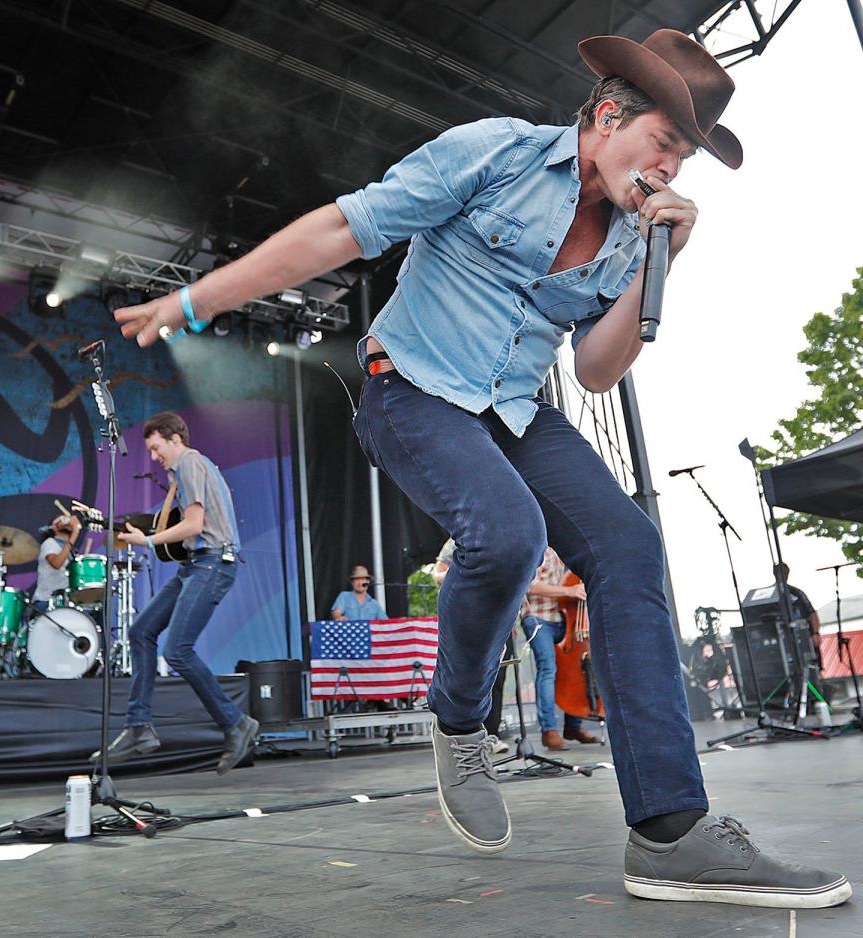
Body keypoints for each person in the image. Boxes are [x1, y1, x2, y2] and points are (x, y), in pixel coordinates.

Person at [112, 30, 850, 907]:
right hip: (412, 390)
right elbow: (344, 228)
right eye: (664, 144)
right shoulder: (494, 152)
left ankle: (670, 834)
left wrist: (664, 263)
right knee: (506, 535)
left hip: (518, 410)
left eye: (683, 159)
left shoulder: (629, 236)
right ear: (607, 116)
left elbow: (595, 370)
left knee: (627, 546)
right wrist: (198, 298)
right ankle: (461, 720)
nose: (669, 171)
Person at [91, 411, 257, 776]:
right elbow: (192, 525)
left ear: (174, 439)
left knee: (178, 650)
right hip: (197, 563)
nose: (153, 456)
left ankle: (237, 723)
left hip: (213, 563)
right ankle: (139, 727)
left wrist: (147, 540)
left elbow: (195, 524)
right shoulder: (180, 472)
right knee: (140, 632)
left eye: (155, 448)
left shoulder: (190, 463)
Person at [433, 538, 509, 754]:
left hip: (499, 616)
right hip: (467, 616)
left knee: (498, 678)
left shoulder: (504, 536)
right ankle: (462, 738)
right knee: (468, 676)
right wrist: (468, 575)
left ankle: (491, 736)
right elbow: (437, 573)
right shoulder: (457, 539)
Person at [521, 548, 601, 750]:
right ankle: (549, 731)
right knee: (548, 668)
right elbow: (529, 585)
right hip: (538, 617)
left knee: (576, 669)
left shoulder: (564, 553)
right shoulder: (537, 549)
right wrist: (569, 591)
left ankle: (573, 726)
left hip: (564, 618)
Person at [32, 514, 82, 614]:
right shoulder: (50, 543)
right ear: (55, 527)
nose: (67, 521)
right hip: (47, 601)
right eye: (62, 519)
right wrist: (75, 533)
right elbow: (56, 563)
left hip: (64, 602)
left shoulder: (70, 550)